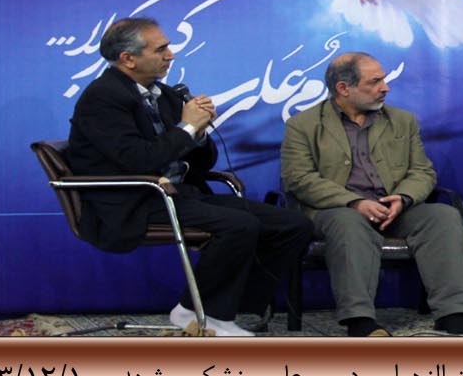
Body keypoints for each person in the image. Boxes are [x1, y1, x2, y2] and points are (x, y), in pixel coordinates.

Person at [67, 17, 313, 337]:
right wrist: (186, 127)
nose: (170, 55)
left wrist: (199, 131)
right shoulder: (102, 98)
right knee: (239, 225)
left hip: (178, 193)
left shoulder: (166, 95)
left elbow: (201, 163)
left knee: (292, 224)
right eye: (161, 49)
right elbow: (139, 160)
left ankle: (225, 309)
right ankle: (201, 313)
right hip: (133, 200)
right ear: (128, 59)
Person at [280, 52, 463, 336]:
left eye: (383, 80)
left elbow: (422, 171)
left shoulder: (403, 120)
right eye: (375, 82)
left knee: (443, 215)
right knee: (348, 223)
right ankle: (359, 319)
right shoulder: (303, 125)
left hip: (394, 208)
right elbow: (298, 178)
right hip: (338, 210)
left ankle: (453, 313)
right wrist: (354, 202)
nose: (386, 87)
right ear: (343, 88)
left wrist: (403, 198)